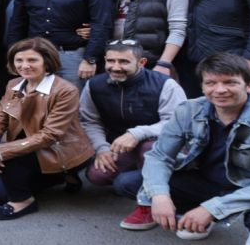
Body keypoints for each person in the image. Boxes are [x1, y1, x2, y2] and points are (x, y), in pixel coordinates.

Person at [118, 53, 250, 244]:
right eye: (211, 83)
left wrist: (213, 208)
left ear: (249, 85)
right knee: (129, 183)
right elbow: (160, 156)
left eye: (230, 82)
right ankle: (198, 214)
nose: (220, 90)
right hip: (208, 183)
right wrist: (160, 195)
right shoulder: (188, 110)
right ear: (202, 86)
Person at [0, 37, 94, 220]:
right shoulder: (13, 84)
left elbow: (50, 135)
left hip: (59, 149)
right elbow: (0, 116)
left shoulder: (65, 90)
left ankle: (24, 202)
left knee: (8, 161)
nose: (24, 65)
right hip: (29, 145)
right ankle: (59, 177)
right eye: (19, 60)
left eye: (32, 60)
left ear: (47, 63)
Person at [79, 40, 185, 196]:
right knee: (98, 175)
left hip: (158, 143)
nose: (115, 67)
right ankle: (135, 175)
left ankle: (155, 195)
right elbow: (90, 121)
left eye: (123, 61)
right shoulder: (95, 85)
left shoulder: (165, 84)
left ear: (141, 62)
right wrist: (102, 148)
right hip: (120, 145)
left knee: (148, 149)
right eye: (110, 61)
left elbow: (177, 123)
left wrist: (137, 133)